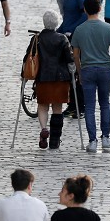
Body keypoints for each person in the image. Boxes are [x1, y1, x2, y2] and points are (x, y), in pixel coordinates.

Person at [71, 0, 110, 153]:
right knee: (105, 103)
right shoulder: (108, 28)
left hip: (87, 70)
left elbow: (76, 56)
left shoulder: (79, 30)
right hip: (105, 69)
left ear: (85, 10)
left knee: (90, 106)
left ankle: (92, 141)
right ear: (100, 8)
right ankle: (106, 138)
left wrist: (79, 73)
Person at [33, 11, 74, 150]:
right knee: (57, 108)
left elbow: (29, 57)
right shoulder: (62, 38)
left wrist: (24, 76)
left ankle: (44, 129)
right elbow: (70, 58)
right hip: (60, 79)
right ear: (57, 23)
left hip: (43, 78)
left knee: (43, 106)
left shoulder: (37, 39)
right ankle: (55, 141)